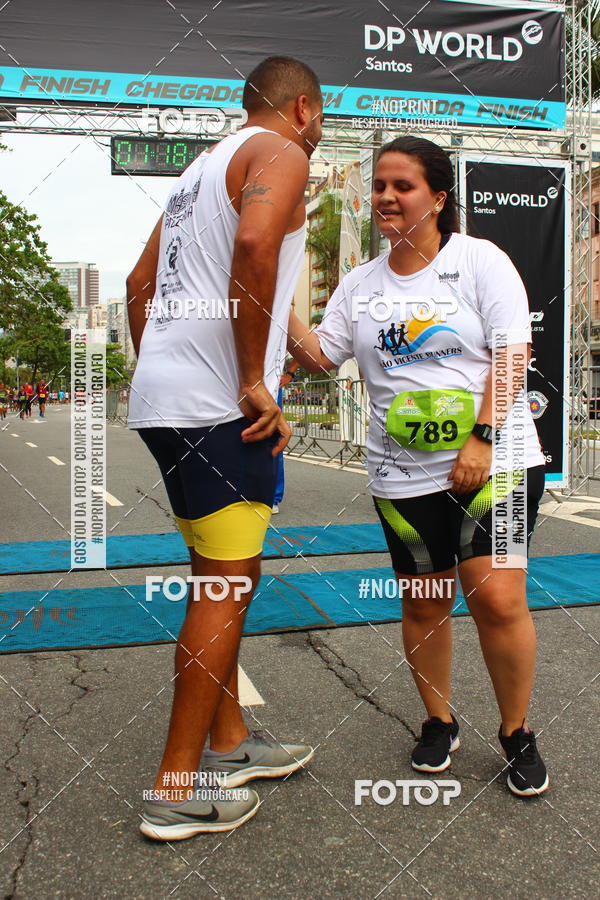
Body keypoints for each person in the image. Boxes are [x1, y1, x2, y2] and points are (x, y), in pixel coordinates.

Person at [288, 136, 548, 798]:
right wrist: (278, 301)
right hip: (402, 474)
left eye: (401, 186)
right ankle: (439, 721)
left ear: (438, 197)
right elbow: (322, 357)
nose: (385, 197)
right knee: (426, 601)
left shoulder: (479, 261)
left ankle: (517, 733)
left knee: (495, 594)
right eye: (378, 186)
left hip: (500, 460)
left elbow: (512, 353)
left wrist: (483, 438)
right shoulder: (360, 284)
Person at [127, 56, 323, 840]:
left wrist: (164, 374)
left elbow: (142, 284)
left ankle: (231, 743)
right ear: (302, 108)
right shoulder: (281, 153)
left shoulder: (197, 172)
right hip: (219, 409)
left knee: (222, 574)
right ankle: (177, 786)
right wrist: (248, 378)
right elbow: (253, 247)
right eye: (320, 113)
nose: (318, 127)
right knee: (223, 589)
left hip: (170, 403)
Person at [272, 358, 300, 513]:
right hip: (238, 382)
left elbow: (300, 342)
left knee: (274, 437)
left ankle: (272, 498)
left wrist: (290, 373)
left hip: (271, 385)